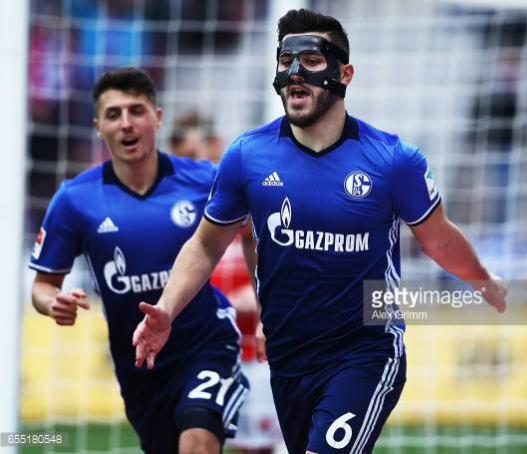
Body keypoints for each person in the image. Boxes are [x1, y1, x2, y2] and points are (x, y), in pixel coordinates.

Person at [133, 9, 507, 454]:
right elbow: (206, 244)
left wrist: (482, 279)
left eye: (310, 60)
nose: (293, 73)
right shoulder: (247, 157)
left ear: (344, 73)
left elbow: (438, 237)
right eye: (284, 61)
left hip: (365, 349)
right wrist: (167, 310)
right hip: (289, 358)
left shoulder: (392, 160)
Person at [29, 67, 248, 454]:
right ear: (98, 127)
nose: (126, 124)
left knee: (197, 442)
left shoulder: (203, 179)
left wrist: (268, 300)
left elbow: (254, 231)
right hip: (140, 365)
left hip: (206, 342)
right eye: (114, 114)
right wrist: (53, 303)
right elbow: (43, 285)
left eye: (137, 110)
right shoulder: (75, 199)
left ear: (157, 117)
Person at [170, 113, 285, 453]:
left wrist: (255, 299)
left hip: (267, 355)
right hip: (220, 358)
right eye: (183, 160)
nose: (190, 166)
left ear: (215, 146)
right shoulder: (185, 218)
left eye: (194, 154)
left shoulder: (250, 200)